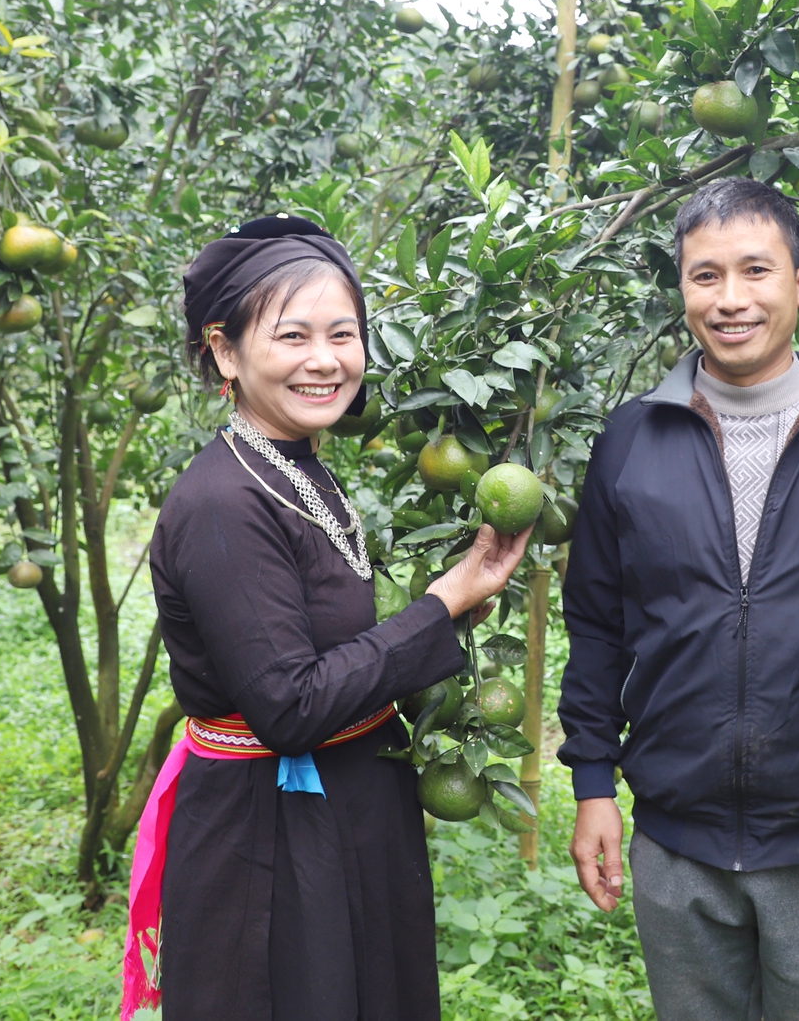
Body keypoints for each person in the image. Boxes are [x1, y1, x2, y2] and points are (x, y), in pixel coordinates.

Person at [559, 178, 799, 1021]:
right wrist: (594, 780)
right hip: (675, 842)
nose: (731, 299)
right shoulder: (630, 440)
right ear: (682, 289)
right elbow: (596, 621)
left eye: (756, 271)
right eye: (706, 276)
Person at [122, 215, 529, 1021]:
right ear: (225, 351)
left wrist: (457, 599)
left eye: (343, 333)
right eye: (294, 335)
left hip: (343, 809)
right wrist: (440, 604)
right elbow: (289, 704)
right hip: (266, 839)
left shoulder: (293, 466)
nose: (325, 359)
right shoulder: (221, 505)